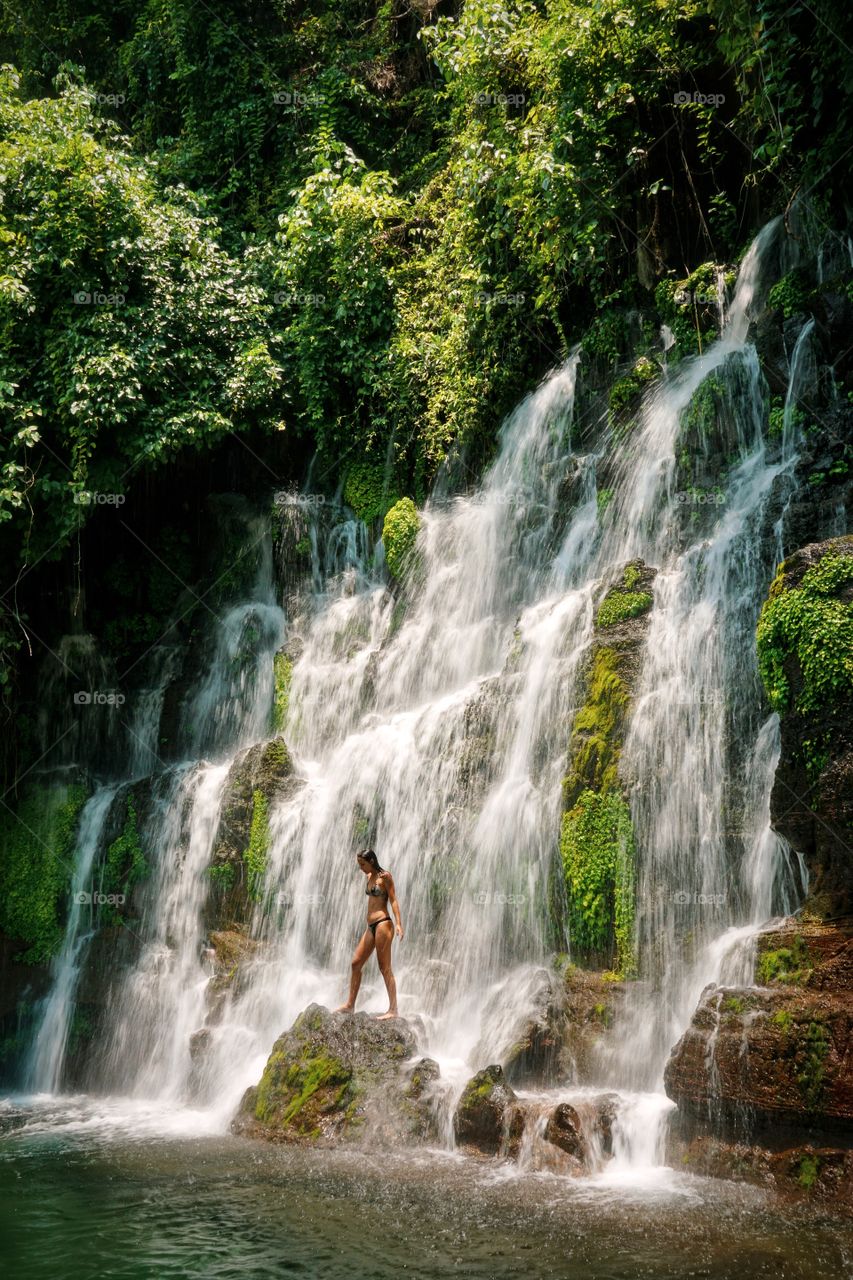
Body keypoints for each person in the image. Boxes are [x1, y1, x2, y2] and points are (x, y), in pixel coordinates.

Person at [335, 848, 404, 1019]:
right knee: (356, 963)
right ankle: (350, 1005)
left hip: (383, 924)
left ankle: (393, 1009)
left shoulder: (385, 877)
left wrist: (399, 924)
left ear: (372, 861)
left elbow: (393, 900)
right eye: (359, 864)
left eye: (363, 864)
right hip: (370, 927)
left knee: (384, 968)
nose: (360, 867)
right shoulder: (369, 877)